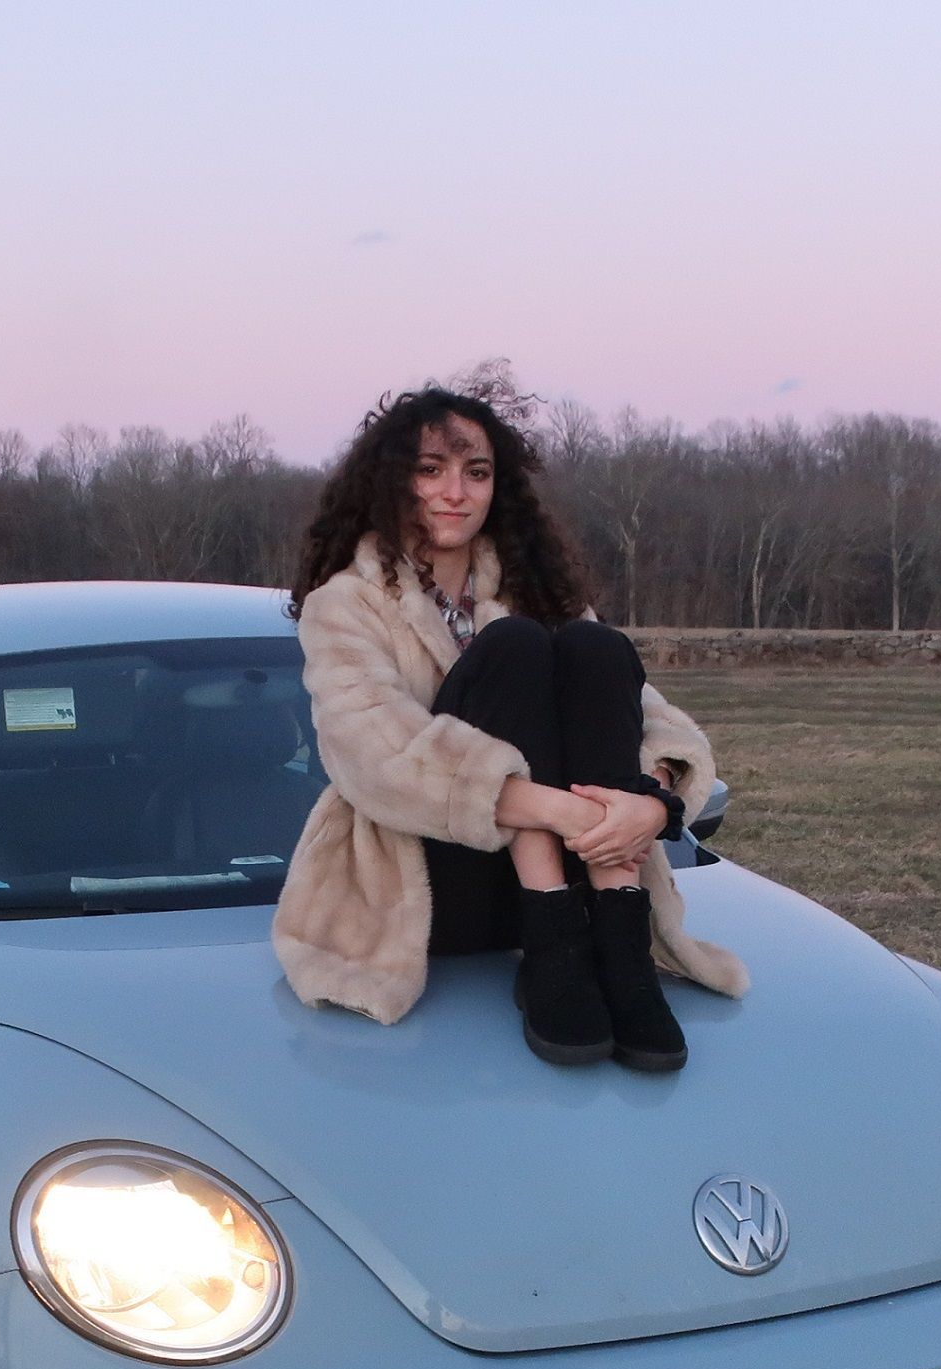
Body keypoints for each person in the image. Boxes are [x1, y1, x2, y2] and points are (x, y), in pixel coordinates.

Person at [272, 386, 747, 1069]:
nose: (455, 492)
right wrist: (570, 813)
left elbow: (650, 716)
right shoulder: (346, 604)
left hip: (587, 870)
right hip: (432, 885)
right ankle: (552, 936)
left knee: (594, 647)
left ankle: (620, 939)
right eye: (430, 469)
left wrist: (652, 799)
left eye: (476, 472)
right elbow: (373, 752)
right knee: (517, 647)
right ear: (391, 480)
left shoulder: (538, 586)